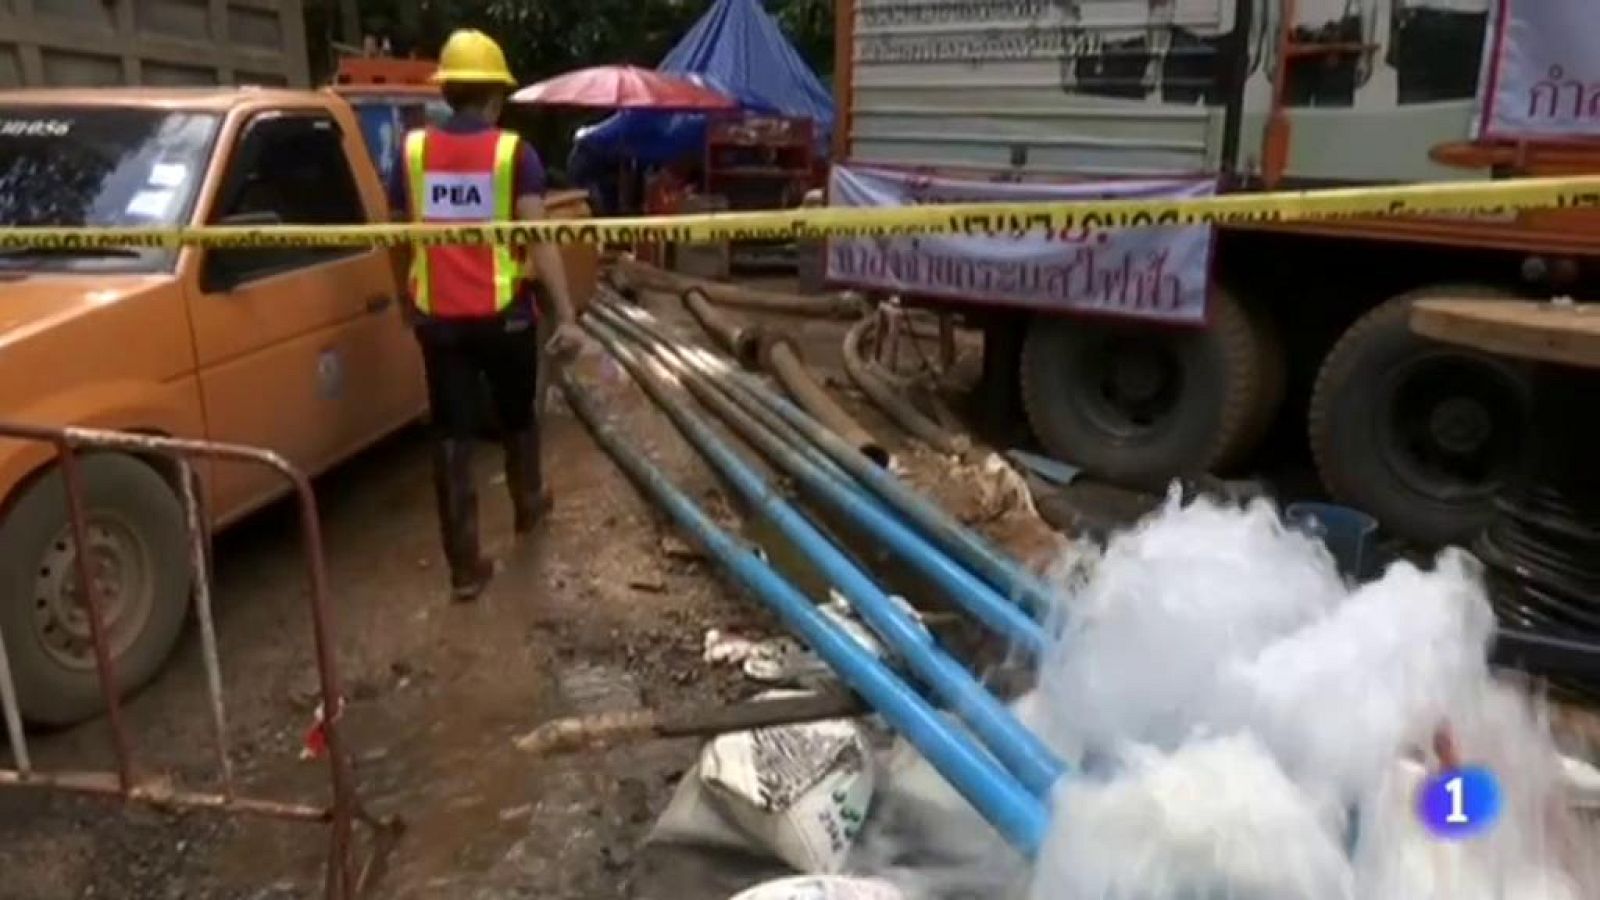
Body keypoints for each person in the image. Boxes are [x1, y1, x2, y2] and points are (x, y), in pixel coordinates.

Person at [390, 28, 582, 601]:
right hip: (505, 315)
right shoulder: (513, 154)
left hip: (438, 317)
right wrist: (567, 314)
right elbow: (539, 239)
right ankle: (527, 506)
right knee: (518, 416)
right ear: (496, 97)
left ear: (447, 93)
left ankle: (465, 568)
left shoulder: (413, 152)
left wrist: (404, 296)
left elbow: (394, 235)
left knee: (450, 436)